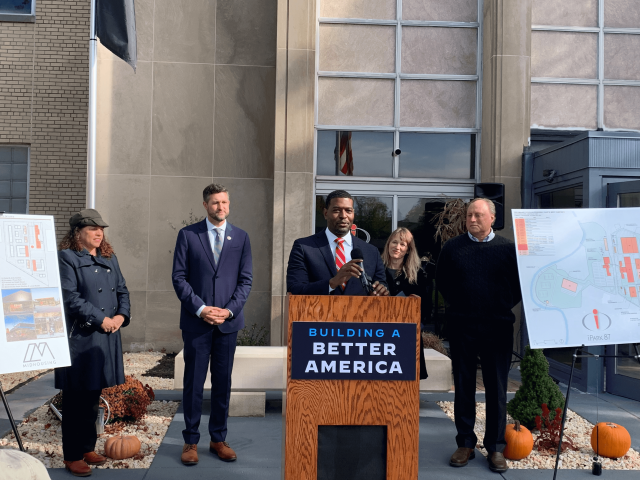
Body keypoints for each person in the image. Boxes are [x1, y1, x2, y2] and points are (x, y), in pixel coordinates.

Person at [435, 198, 521, 473]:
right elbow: (443, 282)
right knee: (463, 384)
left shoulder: (508, 249)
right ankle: (465, 443)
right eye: (470, 215)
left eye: (478, 215)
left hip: (497, 327)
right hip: (463, 326)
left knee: (497, 387)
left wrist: (500, 305)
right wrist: (458, 308)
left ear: (492, 218)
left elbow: (518, 286)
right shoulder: (453, 248)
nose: (472, 219)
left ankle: (495, 447)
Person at [172, 183, 252, 466]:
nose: (221, 207)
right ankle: (190, 441)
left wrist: (228, 311)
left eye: (225, 202)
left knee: (222, 383)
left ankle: (218, 439)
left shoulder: (241, 237)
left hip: (227, 325)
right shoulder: (188, 235)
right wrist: (202, 309)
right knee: (193, 383)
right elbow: (179, 278)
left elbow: (245, 281)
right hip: (197, 324)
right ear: (205, 204)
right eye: (216, 203)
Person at [55, 209, 130, 477]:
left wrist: (121, 315)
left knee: (93, 395)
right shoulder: (67, 258)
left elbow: (122, 290)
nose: (99, 233)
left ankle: (87, 447)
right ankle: (72, 455)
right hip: (82, 338)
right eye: (92, 229)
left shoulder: (110, 257)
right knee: (76, 399)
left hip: (106, 335)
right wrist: (102, 320)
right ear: (78, 233)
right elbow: (71, 298)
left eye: (101, 229)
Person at [286, 190, 388, 296]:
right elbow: (295, 289)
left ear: (353, 214)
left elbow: (382, 287)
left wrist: (380, 291)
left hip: (361, 312)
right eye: (336, 210)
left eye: (348, 211)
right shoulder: (304, 247)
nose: (343, 216)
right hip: (318, 312)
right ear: (326, 213)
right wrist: (332, 283)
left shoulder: (371, 251)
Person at [382, 227, 431, 380]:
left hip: (406, 333)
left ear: (408, 249)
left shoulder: (418, 274)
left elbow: (427, 308)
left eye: (403, 244)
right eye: (394, 242)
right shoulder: (376, 269)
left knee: (405, 376)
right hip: (380, 332)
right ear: (388, 244)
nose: (397, 247)